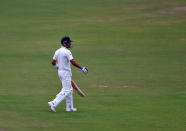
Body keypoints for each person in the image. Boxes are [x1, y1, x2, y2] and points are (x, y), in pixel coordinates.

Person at [48, 36, 88, 112]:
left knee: (69, 90)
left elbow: (53, 62)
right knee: (67, 90)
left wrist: (58, 67)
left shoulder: (57, 51)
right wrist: (82, 68)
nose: (70, 44)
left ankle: (69, 108)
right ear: (65, 43)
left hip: (60, 72)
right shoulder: (67, 52)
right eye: (69, 42)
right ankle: (53, 103)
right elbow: (72, 62)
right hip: (65, 73)